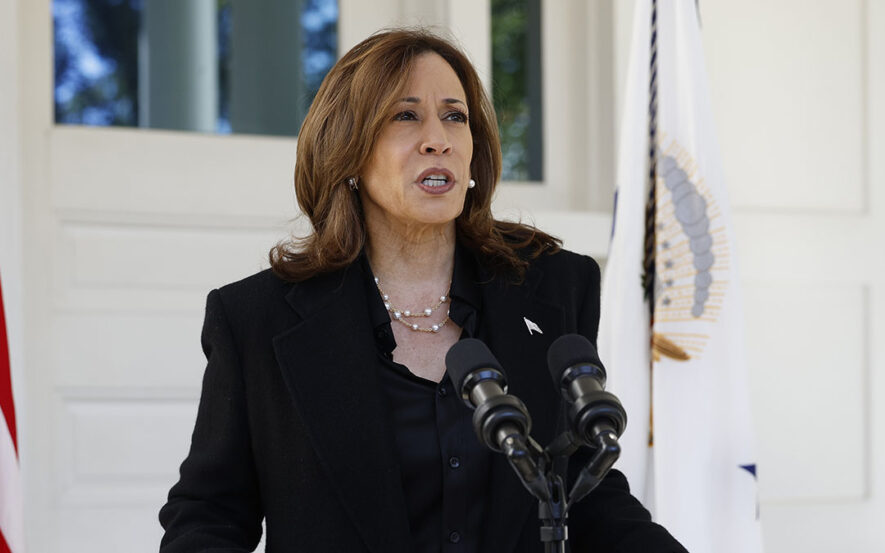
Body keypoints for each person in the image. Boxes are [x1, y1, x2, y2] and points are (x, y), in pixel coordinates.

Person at [159, 28, 686, 553]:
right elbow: (208, 518)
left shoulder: (556, 288)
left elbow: (582, 493)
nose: (439, 139)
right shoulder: (256, 319)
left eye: (455, 116)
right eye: (405, 116)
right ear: (348, 151)